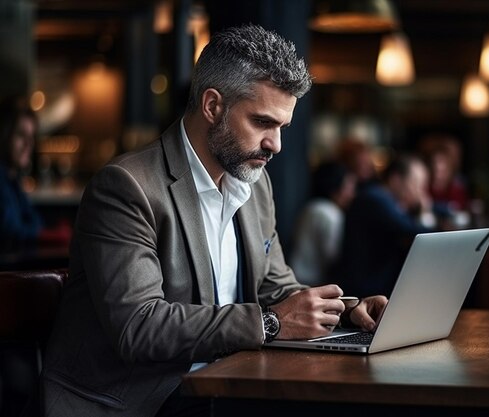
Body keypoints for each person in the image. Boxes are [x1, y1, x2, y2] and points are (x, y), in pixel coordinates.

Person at [40, 24, 387, 417]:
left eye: (282, 127)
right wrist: (269, 324)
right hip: (132, 400)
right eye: (262, 123)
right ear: (212, 106)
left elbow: (275, 288)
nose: (276, 145)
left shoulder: (254, 184)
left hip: (222, 384)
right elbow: (138, 327)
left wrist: (347, 309)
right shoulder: (125, 187)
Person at [336, 153, 434, 298]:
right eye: (416, 184)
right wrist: (425, 212)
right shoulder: (375, 198)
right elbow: (411, 231)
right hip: (365, 291)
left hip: (377, 286)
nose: (420, 192)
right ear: (395, 180)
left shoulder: (387, 200)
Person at [0, 95, 73, 254]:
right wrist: (52, 235)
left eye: (31, 137)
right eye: (21, 135)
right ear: (4, 134)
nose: (29, 144)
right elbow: (10, 231)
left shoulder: (12, 179)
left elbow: (34, 220)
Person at [289, 160, 356, 286]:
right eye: (349, 187)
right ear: (335, 186)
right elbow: (332, 255)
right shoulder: (330, 213)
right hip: (313, 282)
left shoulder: (311, 207)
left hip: (296, 276)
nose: (352, 194)